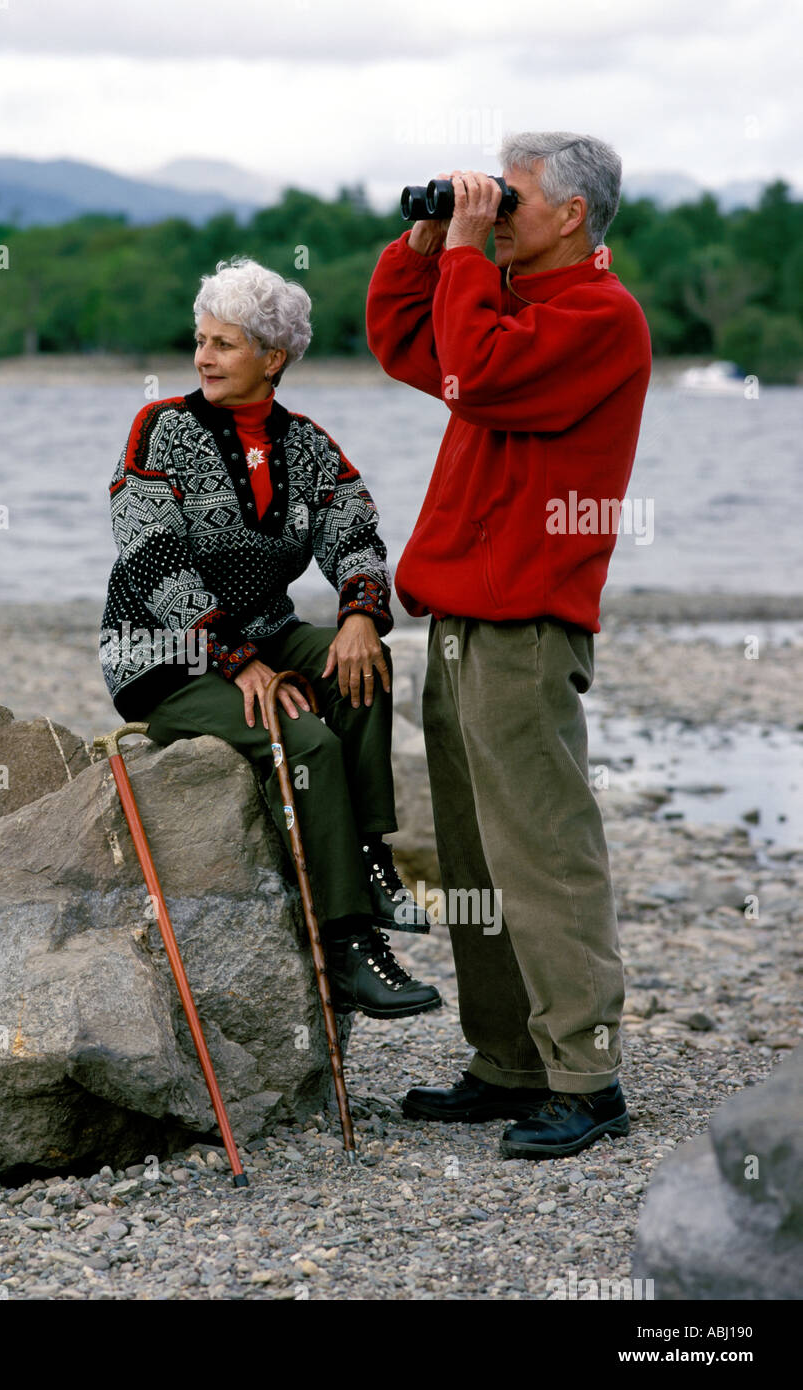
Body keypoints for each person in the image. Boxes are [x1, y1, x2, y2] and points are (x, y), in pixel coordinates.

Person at [366, 131, 652, 1158]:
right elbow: (410, 345)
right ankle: (506, 1063)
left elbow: (477, 373)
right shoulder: (510, 301)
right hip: (458, 617)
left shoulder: (598, 318)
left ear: (571, 213)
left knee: (542, 851)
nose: (495, 205)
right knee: (474, 856)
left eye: (512, 195)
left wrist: (463, 260)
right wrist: (427, 242)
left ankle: (587, 1074)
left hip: (527, 622)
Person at [98, 256, 440, 1023]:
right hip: (162, 654)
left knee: (363, 665)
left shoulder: (309, 444)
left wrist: (359, 616)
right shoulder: (162, 429)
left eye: (223, 344)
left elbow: (356, 534)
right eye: (201, 340)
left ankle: (369, 857)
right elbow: (150, 555)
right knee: (307, 741)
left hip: (267, 635)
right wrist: (238, 661)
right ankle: (348, 943)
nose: (203, 358)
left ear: (272, 358)